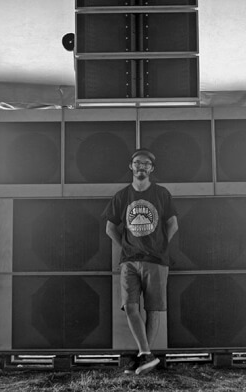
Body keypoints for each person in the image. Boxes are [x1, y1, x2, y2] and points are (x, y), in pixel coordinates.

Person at [103, 148, 178, 375]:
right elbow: (110, 228)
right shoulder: (122, 196)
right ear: (131, 166)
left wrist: (160, 246)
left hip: (156, 261)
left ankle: (144, 357)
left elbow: (173, 224)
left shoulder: (162, 194)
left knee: (152, 309)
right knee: (130, 307)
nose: (141, 166)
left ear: (151, 168)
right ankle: (146, 354)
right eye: (137, 162)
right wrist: (126, 246)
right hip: (129, 261)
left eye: (146, 163)